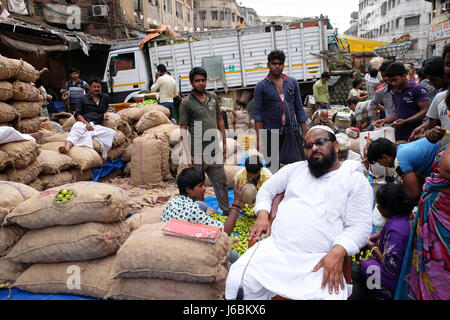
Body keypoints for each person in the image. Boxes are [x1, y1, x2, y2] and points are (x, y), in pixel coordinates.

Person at [225, 125, 373, 300]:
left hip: (319, 259)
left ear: (335, 146)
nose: (314, 148)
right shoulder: (295, 169)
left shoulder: (354, 180)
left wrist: (338, 252)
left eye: (320, 142)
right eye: (308, 146)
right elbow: (266, 190)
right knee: (237, 281)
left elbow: (360, 226)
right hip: (276, 251)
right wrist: (263, 215)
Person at [395, 144, 449, 300]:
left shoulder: (403, 158)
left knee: (438, 273)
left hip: (441, 220)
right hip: (435, 217)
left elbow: (445, 170)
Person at [161, 167, 244, 262]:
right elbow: (225, 232)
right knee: (234, 256)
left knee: (201, 205)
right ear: (188, 189)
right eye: (200, 186)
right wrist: (236, 203)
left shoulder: (173, 200)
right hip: (182, 250)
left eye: (204, 185)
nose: (204, 188)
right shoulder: (193, 211)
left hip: (171, 238)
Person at [179, 67, 232, 215]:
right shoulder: (186, 103)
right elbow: (183, 128)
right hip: (197, 152)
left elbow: (220, 119)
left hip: (213, 150)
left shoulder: (213, 97)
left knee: (221, 182)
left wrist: (225, 142)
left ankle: (227, 211)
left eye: (203, 80)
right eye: (197, 81)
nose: (201, 83)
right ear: (191, 83)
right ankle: (195, 214)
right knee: (196, 187)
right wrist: (188, 154)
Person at [351, 183, 413, 300]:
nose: (377, 207)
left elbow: (390, 267)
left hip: (397, 278)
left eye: (379, 204)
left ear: (389, 208)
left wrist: (372, 247)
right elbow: (383, 231)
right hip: (406, 268)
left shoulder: (397, 233)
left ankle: (375, 295)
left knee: (367, 266)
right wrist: (368, 239)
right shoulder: (405, 216)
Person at [253, 50, 308, 168]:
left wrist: (304, 132)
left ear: (284, 64)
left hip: (291, 130)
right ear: (268, 65)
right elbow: (258, 114)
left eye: (280, 64)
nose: (277, 66)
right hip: (271, 133)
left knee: (300, 165)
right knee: (272, 168)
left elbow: (299, 107)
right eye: (274, 63)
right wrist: (259, 139)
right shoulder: (261, 86)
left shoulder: (292, 82)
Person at [365, 137, 440, 202]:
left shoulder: (399, 162)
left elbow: (415, 194)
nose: (381, 165)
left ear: (384, 157)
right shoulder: (401, 147)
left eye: (379, 162)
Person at [58, 79, 116, 159]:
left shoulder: (105, 97)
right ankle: (67, 148)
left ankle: (103, 155)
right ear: (89, 88)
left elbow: (105, 109)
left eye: (98, 87)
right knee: (76, 129)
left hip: (96, 125)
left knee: (111, 133)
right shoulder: (83, 98)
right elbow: (77, 114)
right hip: (83, 122)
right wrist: (86, 124)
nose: (96, 89)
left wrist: (105, 114)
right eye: (94, 87)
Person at [410, 44, 450, 146]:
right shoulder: (440, 95)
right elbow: (438, 119)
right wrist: (424, 128)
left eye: (433, 80)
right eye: (448, 65)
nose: (431, 84)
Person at [386, 62, 430, 142]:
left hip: (414, 135)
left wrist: (405, 121)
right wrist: (384, 121)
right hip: (399, 135)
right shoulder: (396, 91)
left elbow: (425, 110)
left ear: (404, 75)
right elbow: (399, 112)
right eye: (391, 81)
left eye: (395, 80)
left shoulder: (417, 89)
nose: (393, 83)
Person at [371, 60, 396, 128]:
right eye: (383, 76)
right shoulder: (381, 91)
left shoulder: (405, 90)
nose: (386, 78)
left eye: (388, 75)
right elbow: (373, 104)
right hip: (389, 127)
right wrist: (386, 109)